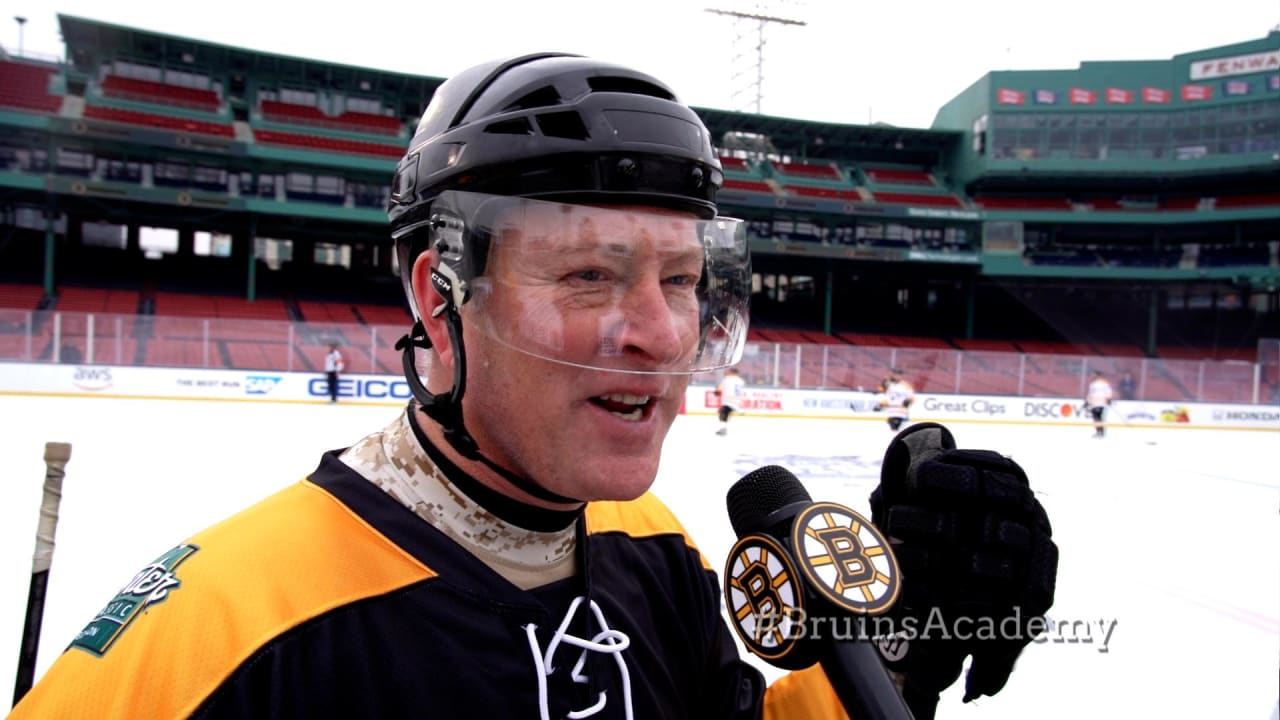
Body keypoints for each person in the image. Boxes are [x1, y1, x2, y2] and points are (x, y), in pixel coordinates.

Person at [10, 53, 1056, 720]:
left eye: (683, 282)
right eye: (588, 275)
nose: (653, 334)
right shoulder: (217, 637)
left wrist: (892, 654)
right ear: (439, 294)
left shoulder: (650, 545)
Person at [714, 367, 746, 436]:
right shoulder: (741, 381)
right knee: (724, 412)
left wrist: (716, 390)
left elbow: (718, 390)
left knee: (722, 412)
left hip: (729, 400)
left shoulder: (728, 379)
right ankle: (724, 427)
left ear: (731, 372)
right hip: (738, 401)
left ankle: (723, 429)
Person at [1085, 370, 1114, 438]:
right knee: (1096, 418)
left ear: (1098, 375)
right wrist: (1087, 401)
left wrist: (1109, 399)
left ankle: (1101, 431)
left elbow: (1108, 391)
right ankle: (1099, 431)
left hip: (1101, 402)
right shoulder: (1092, 384)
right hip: (1094, 403)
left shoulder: (1104, 383)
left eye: (1094, 375)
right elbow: (1090, 394)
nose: (1092, 376)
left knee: (1098, 417)